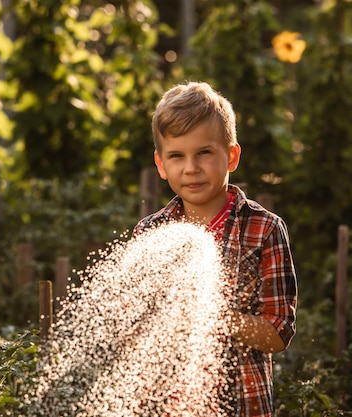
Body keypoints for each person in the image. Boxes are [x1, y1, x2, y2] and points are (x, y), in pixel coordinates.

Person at [132, 81, 297, 416]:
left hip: (242, 405)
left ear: (231, 155)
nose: (191, 167)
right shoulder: (151, 233)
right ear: (161, 164)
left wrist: (211, 317)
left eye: (204, 152)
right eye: (176, 156)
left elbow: (278, 333)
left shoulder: (263, 229)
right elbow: (131, 333)